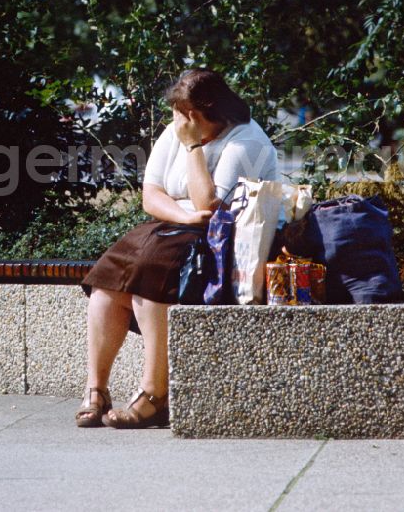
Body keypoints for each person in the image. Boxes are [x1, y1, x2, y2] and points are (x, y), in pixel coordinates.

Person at [76, 69, 278, 429]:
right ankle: (97, 389)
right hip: (175, 227)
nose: (177, 122)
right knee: (107, 281)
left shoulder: (247, 142)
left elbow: (209, 206)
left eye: (184, 115)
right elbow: (151, 195)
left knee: (152, 275)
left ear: (203, 114)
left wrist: (193, 147)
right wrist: (183, 218)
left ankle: (156, 395)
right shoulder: (177, 130)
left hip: (220, 239)